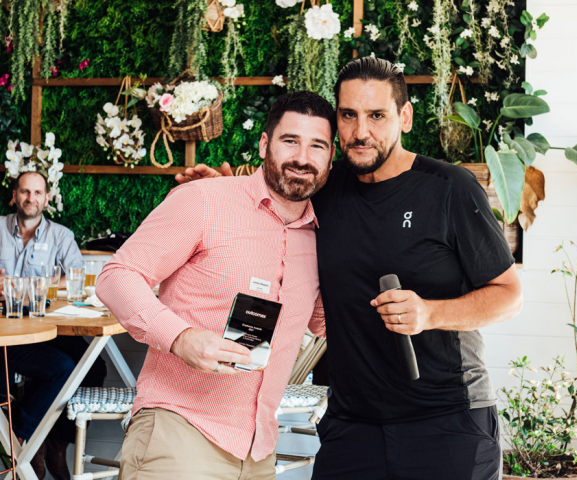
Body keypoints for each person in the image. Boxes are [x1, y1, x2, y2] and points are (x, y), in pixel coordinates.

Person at [179, 57, 523, 480]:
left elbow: (509, 294)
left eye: (377, 115)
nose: (361, 132)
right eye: (349, 115)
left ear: (405, 117)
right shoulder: (325, 186)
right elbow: (271, 207)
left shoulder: (449, 188)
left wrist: (431, 313)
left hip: (447, 420)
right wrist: (227, 191)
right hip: (351, 424)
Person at [96, 91, 335, 480]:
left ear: (330, 158)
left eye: (317, 146)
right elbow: (116, 276)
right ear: (264, 144)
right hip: (180, 434)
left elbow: (325, 323)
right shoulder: (204, 200)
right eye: (290, 140)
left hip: (258, 453)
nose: (302, 158)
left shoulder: (322, 235)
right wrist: (181, 337)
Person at [0, 171, 107, 480]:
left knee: (92, 367)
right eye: (24, 191)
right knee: (61, 366)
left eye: (37, 192)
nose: (30, 198)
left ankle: (56, 442)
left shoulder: (61, 235)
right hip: (8, 330)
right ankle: (24, 434)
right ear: (15, 195)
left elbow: (76, 275)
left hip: (45, 325)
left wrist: (38, 283)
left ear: (47, 198)